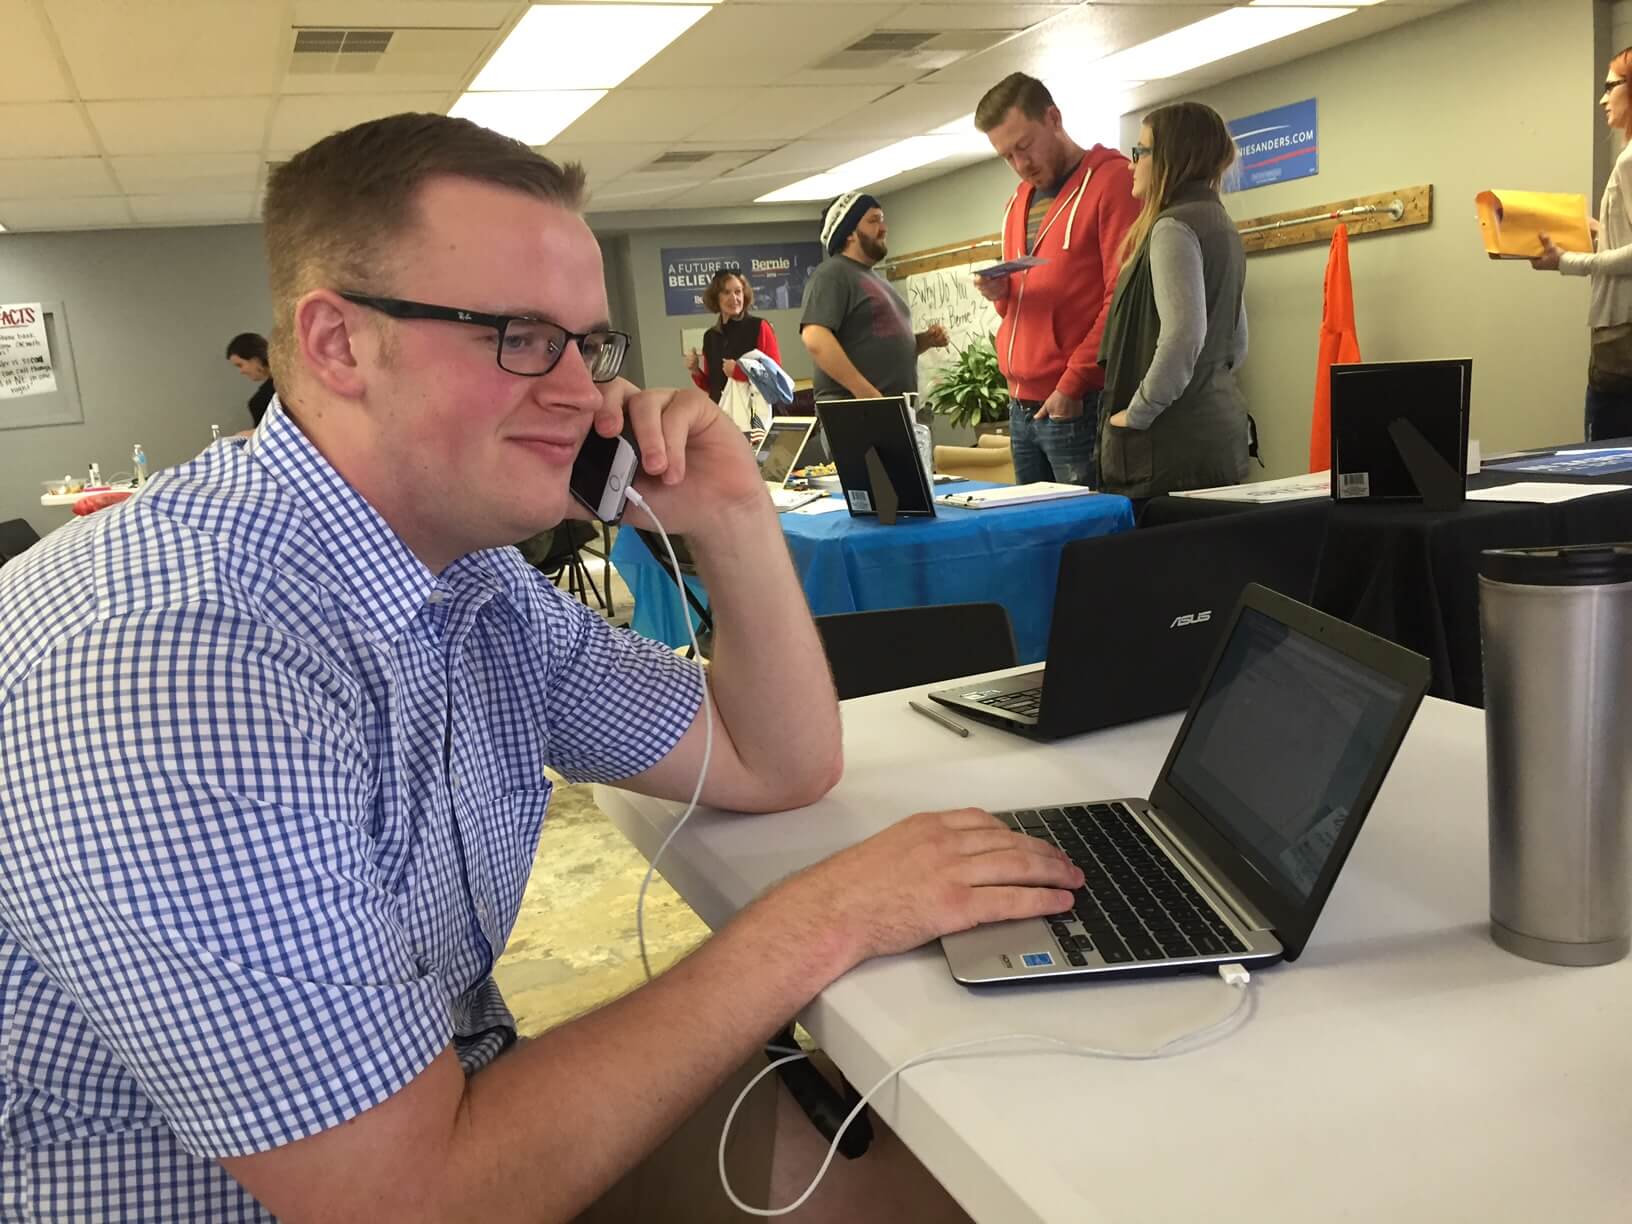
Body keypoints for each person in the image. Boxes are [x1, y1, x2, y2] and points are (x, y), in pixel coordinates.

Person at [0, 112, 1081, 1221]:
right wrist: (823, 919)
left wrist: (735, 520)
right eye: (518, 334)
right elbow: (410, 1202)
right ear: (335, 344)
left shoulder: (471, 581)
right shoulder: (178, 666)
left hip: (457, 1124)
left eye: (587, 344)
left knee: (955, 1178)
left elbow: (775, 761)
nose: (580, 393)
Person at [975, 73, 1140, 485]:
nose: (1020, 164)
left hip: (1075, 401)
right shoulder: (1018, 201)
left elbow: (1120, 298)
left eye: (1024, 146)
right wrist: (1001, 294)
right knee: (1035, 539)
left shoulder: (1112, 181)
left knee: (1085, 538)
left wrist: (1073, 383)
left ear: (1053, 118)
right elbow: (1027, 298)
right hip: (1020, 404)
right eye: (1007, 156)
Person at [1096, 101, 1250, 500]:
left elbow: (1183, 337)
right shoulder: (1221, 223)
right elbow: (1237, 342)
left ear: (1170, 157)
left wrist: (1137, 413)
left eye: (1140, 151)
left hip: (1171, 452)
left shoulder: (1173, 227)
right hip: (1218, 434)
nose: (1132, 164)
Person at [1532, 47, 1632, 441]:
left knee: (1605, 475)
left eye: (1612, 86)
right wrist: (1596, 230)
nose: (1603, 98)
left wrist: (1566, 260)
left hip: (1622, 347)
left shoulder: (1629, 161)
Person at [799, 191, 949, 401]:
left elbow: (876, 346)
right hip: (858, 412)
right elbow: (815, 337)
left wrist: (923, 341)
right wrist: (867, 394)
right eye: (873, 221)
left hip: (886, 408)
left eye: (882, 220)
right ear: (849, 233)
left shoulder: (874, 278)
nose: (884, 228)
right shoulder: (832, 273)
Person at [684, 268, 782, 430]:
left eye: (738, 292)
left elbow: (775, 379)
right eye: (726, 292)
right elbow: (713, 386)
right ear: (716, 298)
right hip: (722, 420)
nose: (734, 298)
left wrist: (739, 372)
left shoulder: (759, 327)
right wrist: (695, 370)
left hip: (756, 422)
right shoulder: (710, 336)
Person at [225, 330, 276, 425]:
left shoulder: (260, 401)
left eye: (240, 365)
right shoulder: (289, 382)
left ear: (255, 359)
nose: (241, 371)